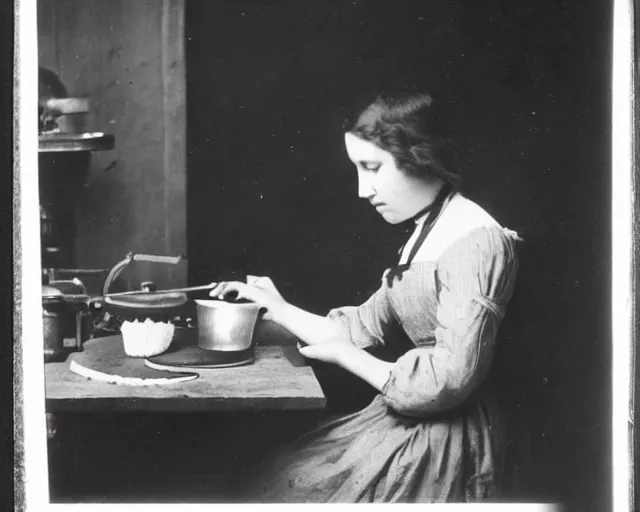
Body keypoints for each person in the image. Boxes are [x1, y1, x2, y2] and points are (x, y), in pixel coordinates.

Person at [209, 90, 521, 503]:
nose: (362, 189)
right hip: (414, 420)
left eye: (372, 168)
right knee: (278, 474)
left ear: (418, 156)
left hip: (449, 442)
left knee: (294, 489)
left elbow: (447, 381)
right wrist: (275, 306)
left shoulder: (476, 242)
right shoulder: (429, 231)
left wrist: (345, 356)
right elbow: (358, 329)